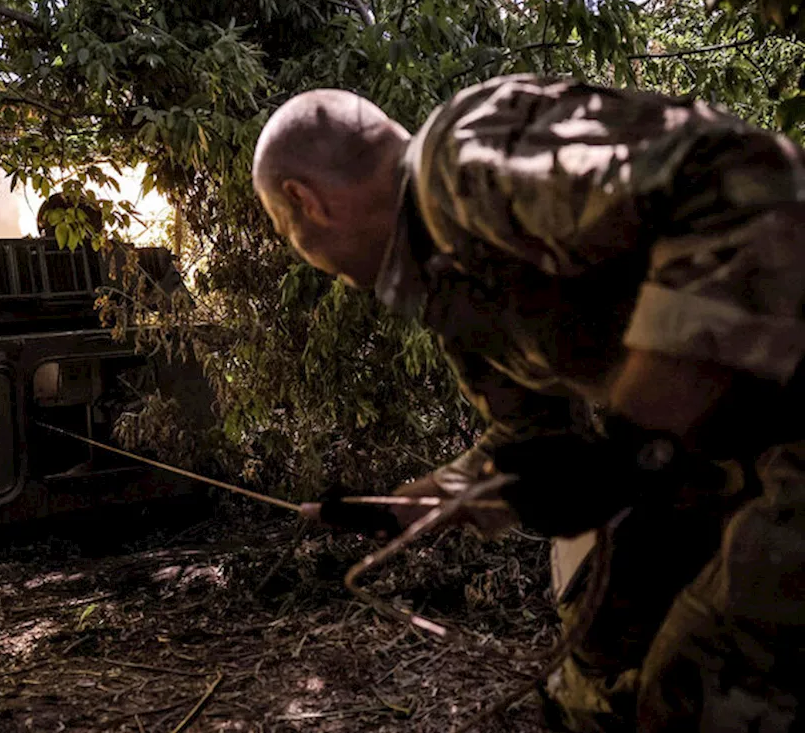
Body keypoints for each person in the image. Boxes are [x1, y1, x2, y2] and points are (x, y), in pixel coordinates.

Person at [252, 76, 805, 732]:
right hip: (724, 459)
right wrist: (419, 503)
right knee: (594, 679)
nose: (307, 255)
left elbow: (736, 174)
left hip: (781, 435)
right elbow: (530, 436)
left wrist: (644, 424)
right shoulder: (444, 278)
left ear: (303, 201)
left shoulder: (460, 162)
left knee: (694, 690)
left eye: (288, 233)